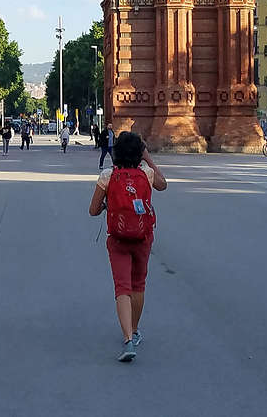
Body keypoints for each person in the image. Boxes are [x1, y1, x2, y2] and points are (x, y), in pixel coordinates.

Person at [88, 131, 166, 363]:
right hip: (143, 236)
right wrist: (148, 158)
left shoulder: (108, 176)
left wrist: (106, 206)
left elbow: (92, 210)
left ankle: (127, 338)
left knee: (122, 287)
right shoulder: (146, 173)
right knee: (138, 284)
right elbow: (164, 185)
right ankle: (135, 328)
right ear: (138, 153)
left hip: (118, 238)